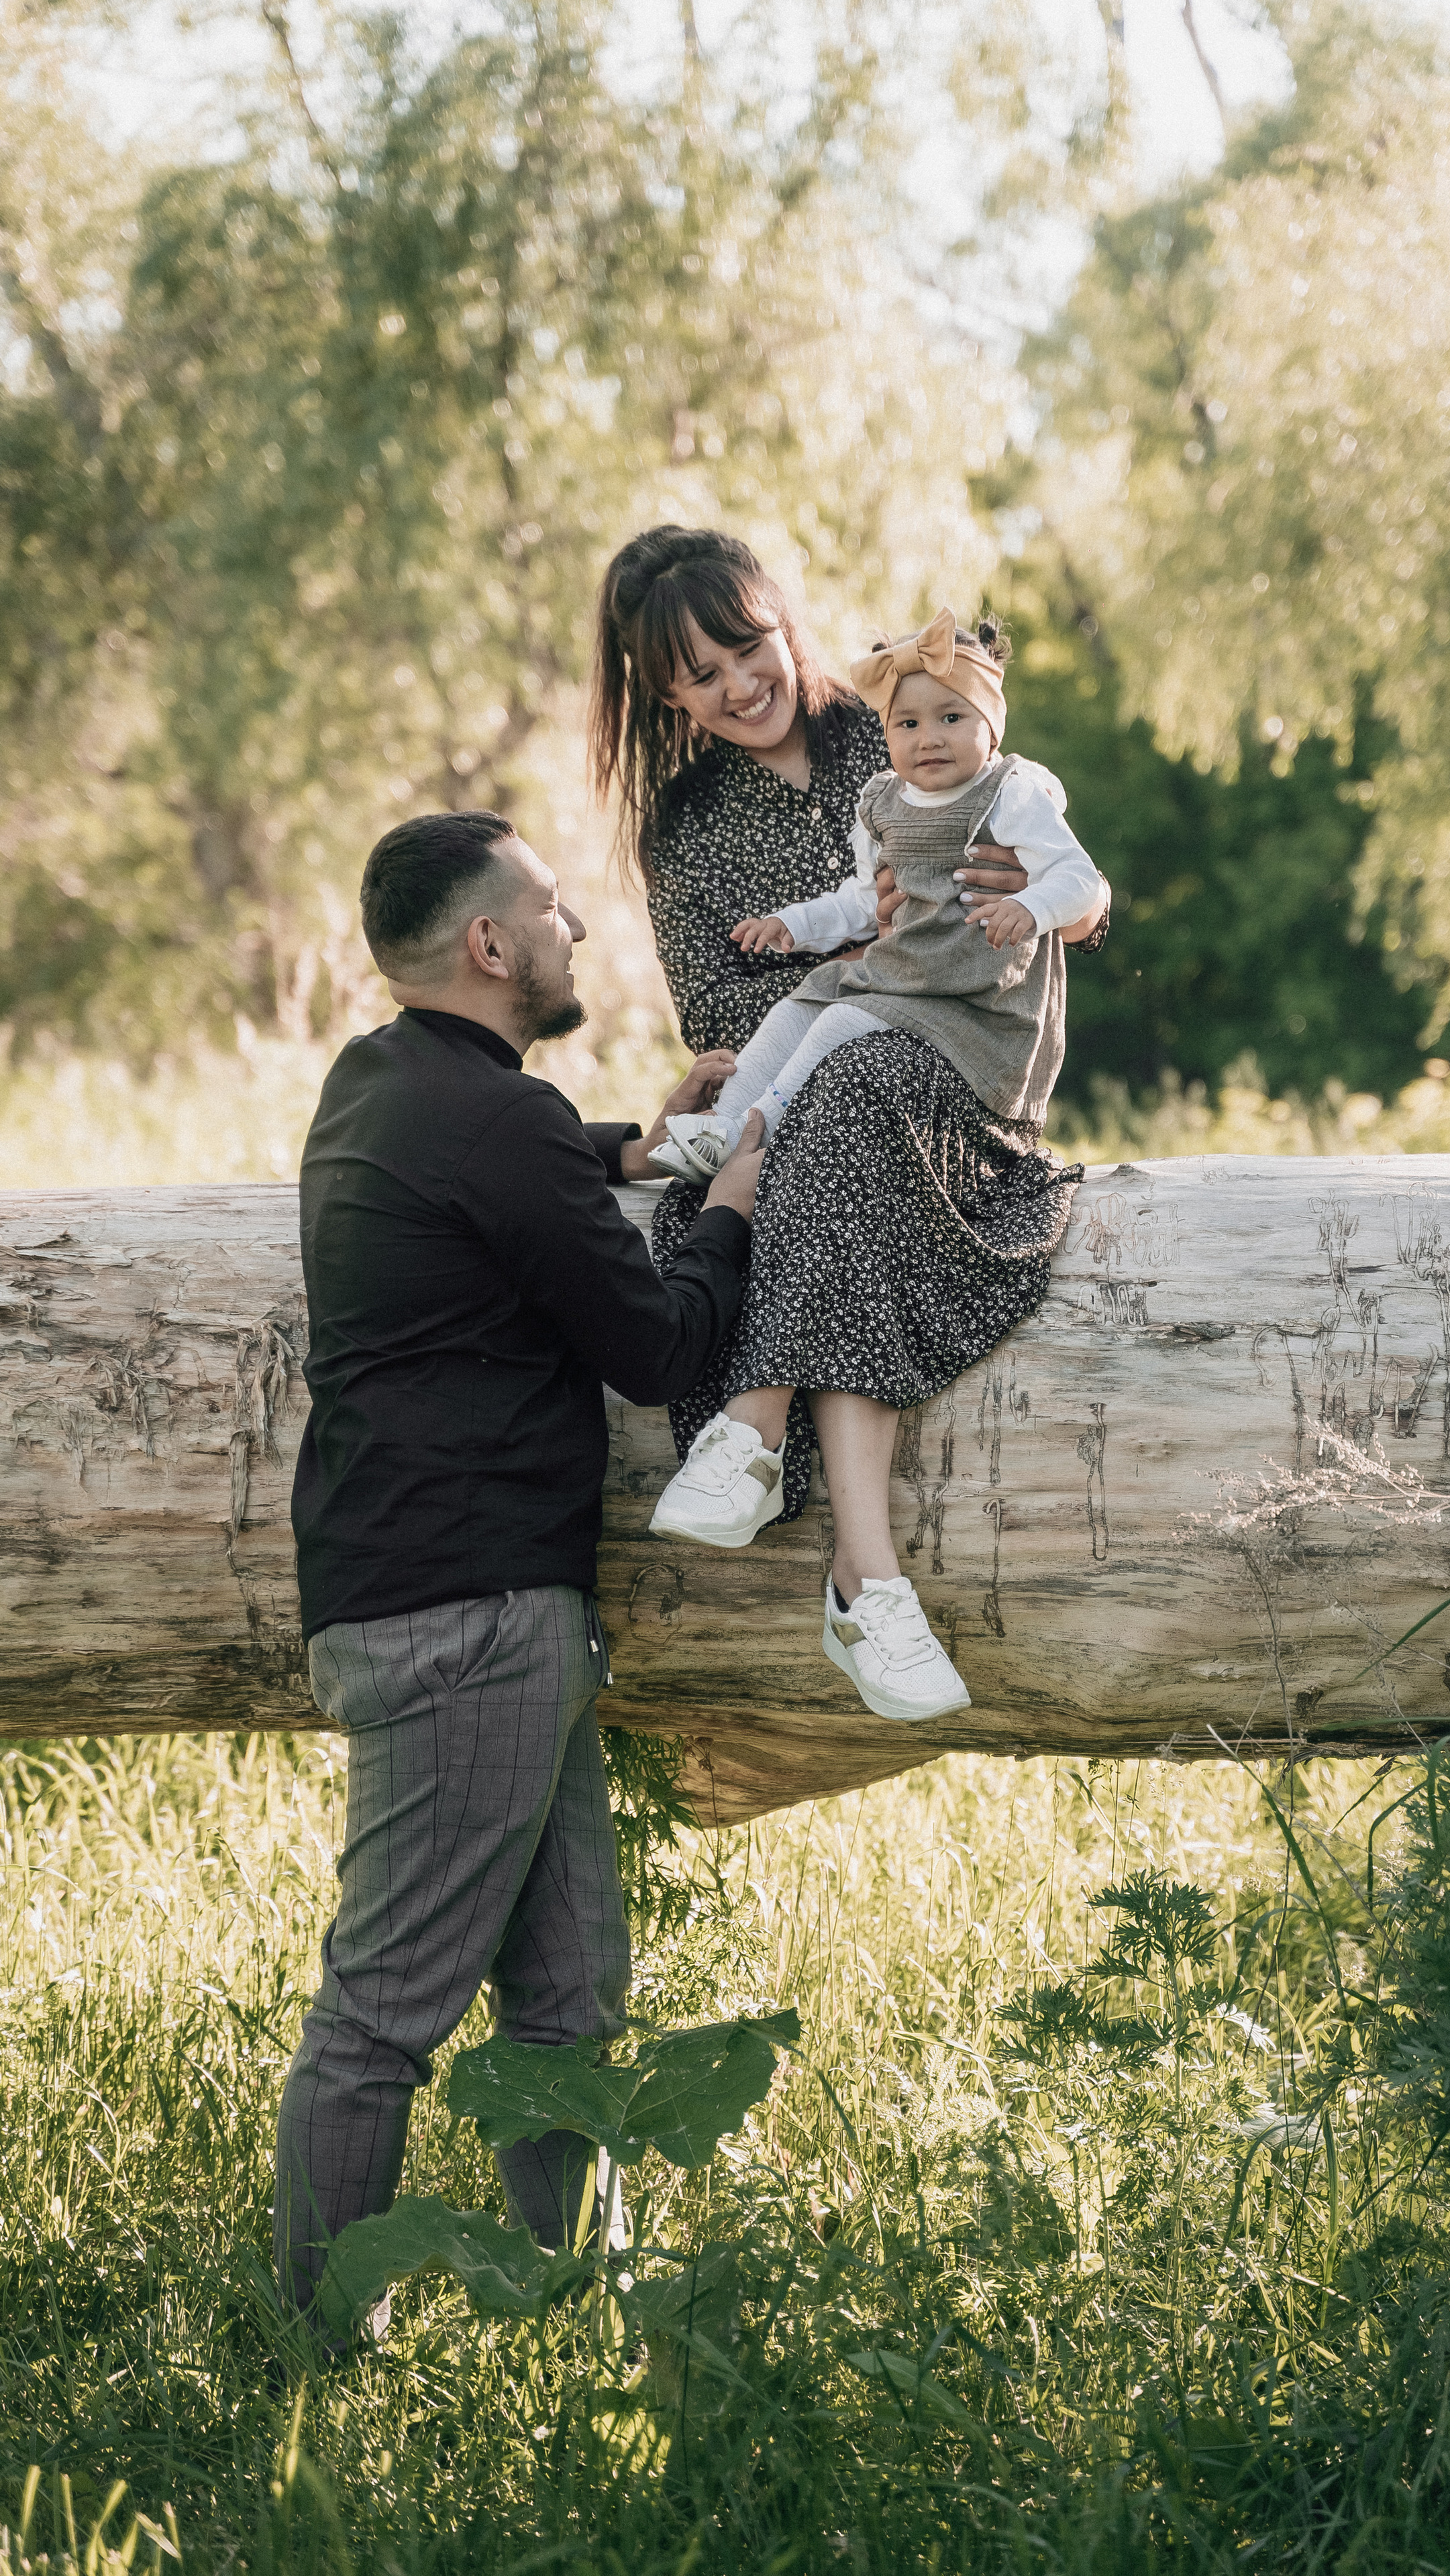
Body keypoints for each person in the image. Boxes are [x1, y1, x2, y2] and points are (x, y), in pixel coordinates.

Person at [274, 806, 763, 2324]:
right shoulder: (494, 1119)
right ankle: (311, 2352)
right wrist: (730, 1205)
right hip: (467, 1615)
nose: (578, 932)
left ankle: (565, 2314)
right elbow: (653, 1344)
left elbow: (512, 1182)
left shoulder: (381, 1085)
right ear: (488, 945)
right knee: (380, 2017)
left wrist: (641, 1142)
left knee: (566, 1999)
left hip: (437, 1597)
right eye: (554, 911)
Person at [588, 528, 1110, 1729]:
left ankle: (758, 1435)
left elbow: (1063, 883)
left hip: (953, 1079)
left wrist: (1048, 916)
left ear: (786, 623)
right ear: (664, 694)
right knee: (831, 1104)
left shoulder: (904, 723)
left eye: (749, 647)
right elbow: (718, 1018)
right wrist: (852, 952)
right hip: (809, 1082)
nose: (738, 686)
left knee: (854, 1097)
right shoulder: (687, 827)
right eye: (701, 676)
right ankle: (867, 1579)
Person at [645, 607, 1104, 1182]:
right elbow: (862, 899)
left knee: (840, 1023)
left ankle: (748, 1134)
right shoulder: (885, 800)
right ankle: (718, 1126)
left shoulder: (1010, 793)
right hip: (901, 980)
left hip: (970, 1001)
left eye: (952, 717)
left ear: (992, 724)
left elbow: (1081, 880)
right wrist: (793, 924)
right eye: (907, 725)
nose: (929, 738)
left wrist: (1030, 903)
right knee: (803, 1005)